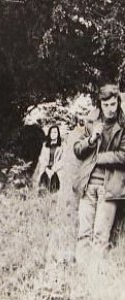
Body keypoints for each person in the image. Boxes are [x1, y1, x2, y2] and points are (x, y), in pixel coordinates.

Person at [73, 83, 125, 261]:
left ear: (118, 102)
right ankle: (81, 279)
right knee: (83, 234)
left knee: (101, 237)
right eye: (106, 105)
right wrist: (91, 138)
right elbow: (78, 150)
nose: (110, 109)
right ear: (100, 105)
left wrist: (100, 158)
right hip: (87, 186)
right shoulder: (91, 123)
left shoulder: (123, 125)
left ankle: (95, 282)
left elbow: (124, 156)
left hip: (109, 188)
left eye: (113, 104)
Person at [34, 125, 63, 193]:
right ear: (49, 134)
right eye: (52, 132)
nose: (53, 134)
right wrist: (47, 168)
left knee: (58, 185)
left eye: (55, 132)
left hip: (57, 168)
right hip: (46, 167)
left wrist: (54, 169)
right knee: (41, 181)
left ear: (58, 134)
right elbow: (42, 157)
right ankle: (42, 191)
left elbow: (63, 160)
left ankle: (55, 192)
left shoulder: (62, 145)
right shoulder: (45, 145)